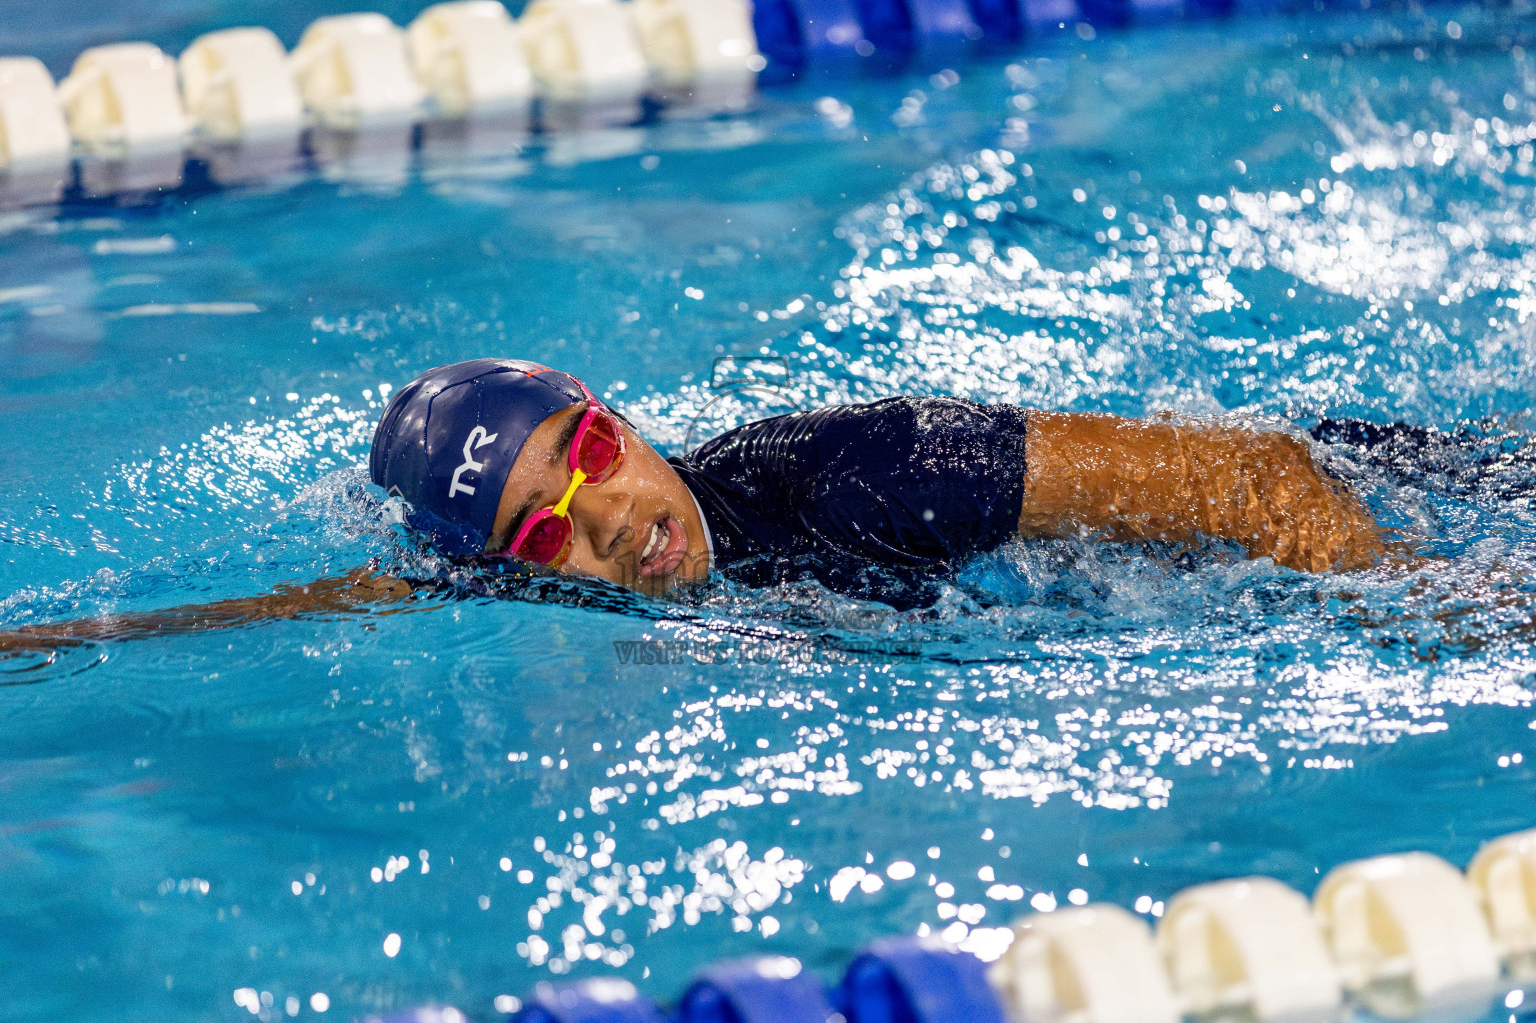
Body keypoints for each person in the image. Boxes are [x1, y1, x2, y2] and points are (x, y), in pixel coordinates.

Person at [0, 357, 1390, 653]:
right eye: (544, 526)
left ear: (617, 414)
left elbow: (1255, 474)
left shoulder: (869, 471)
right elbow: (346, 596)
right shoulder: (540, 576)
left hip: (1393, 493)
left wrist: (1423, 611)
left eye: (592, 450)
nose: (606, 516)